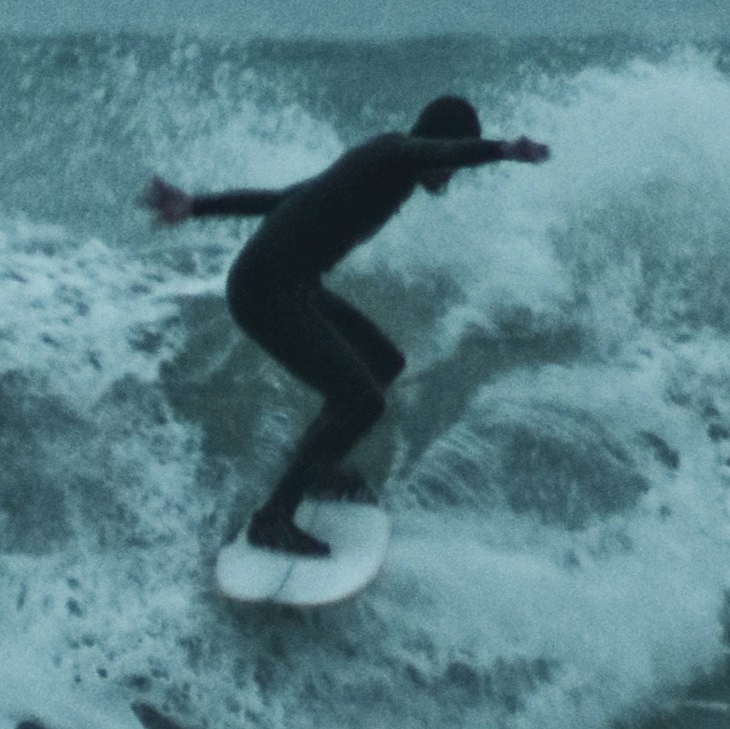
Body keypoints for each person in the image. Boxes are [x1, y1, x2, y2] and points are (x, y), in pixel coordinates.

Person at [143, 93, 550, 557]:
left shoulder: (381, 164)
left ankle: (317, 467)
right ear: (439, 145)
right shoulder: (395, 154)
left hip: (293, 285)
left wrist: (194, 206)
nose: (449, 175)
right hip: (265, 290)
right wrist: (503, 150)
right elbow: (439, 150)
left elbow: (280, 199)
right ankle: (273, 518)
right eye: (450, 164)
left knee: (384, 362)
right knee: (363, 401)